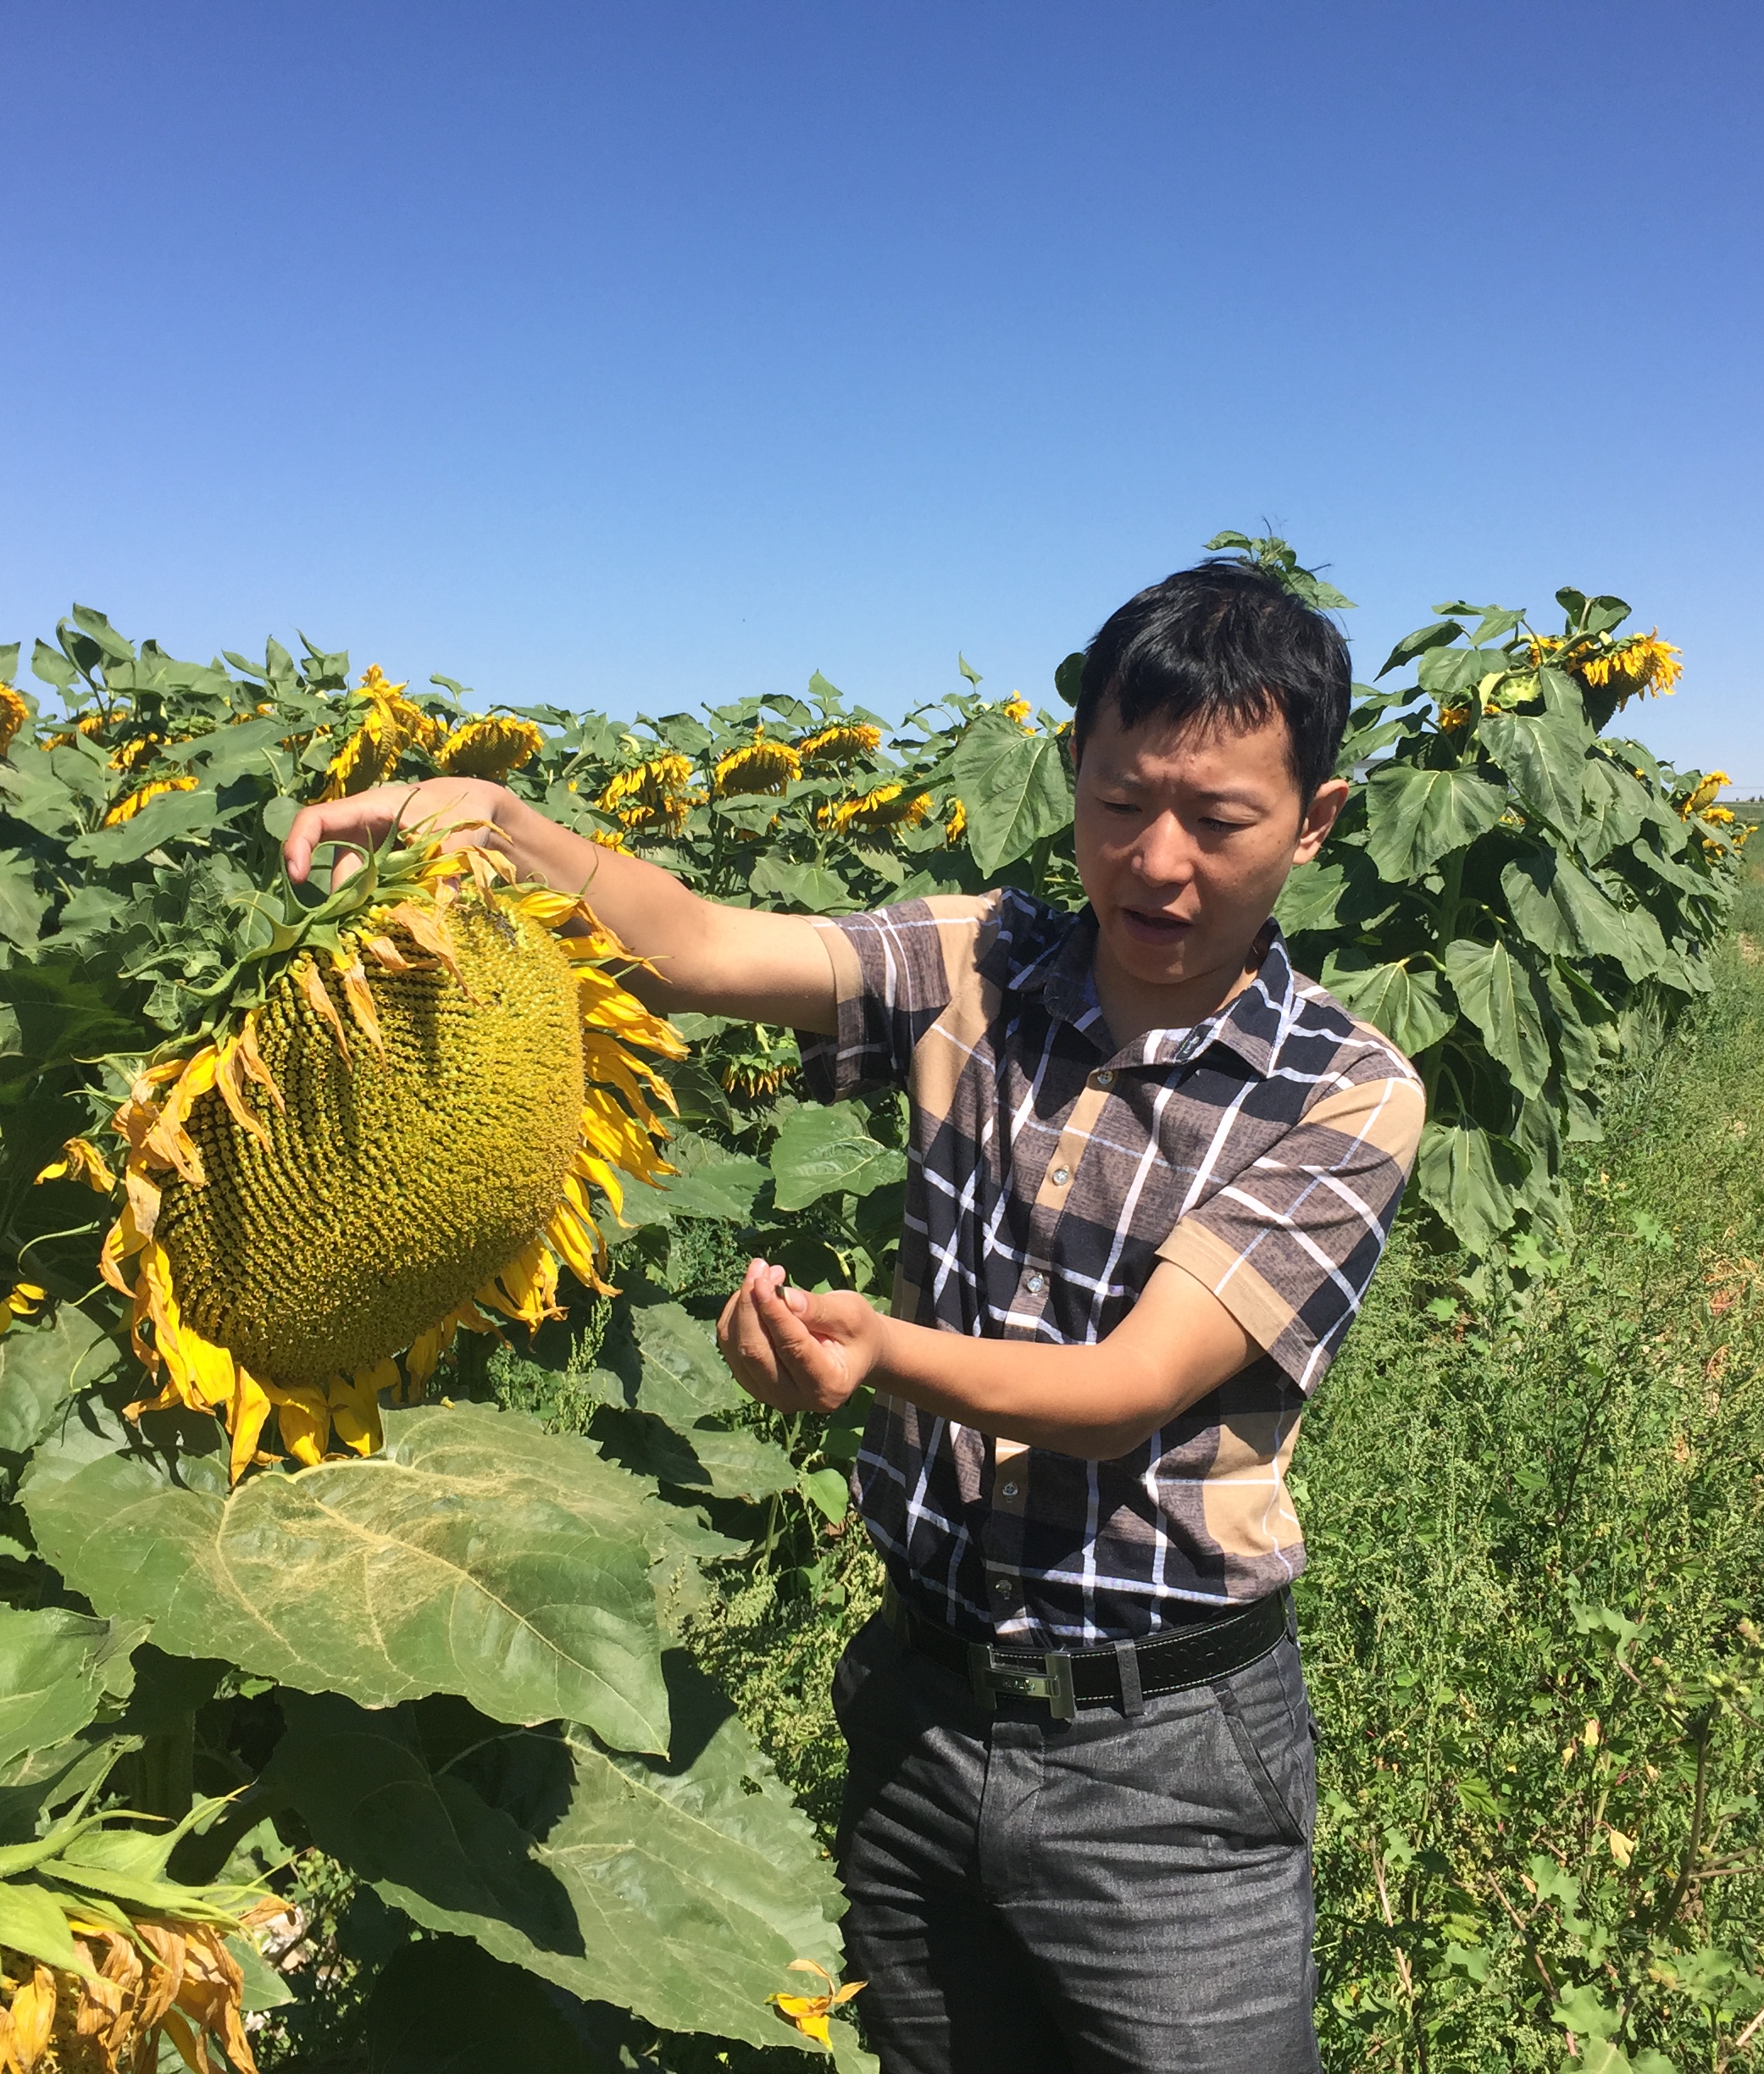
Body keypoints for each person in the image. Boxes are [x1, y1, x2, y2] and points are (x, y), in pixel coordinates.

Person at [285, 557, 1424, 2073]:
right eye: (1116, 805)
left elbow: (1134, 1384)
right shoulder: (985, 961)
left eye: (1218, 821)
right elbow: (696, 948)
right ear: (1073, 773)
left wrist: (881, 1354)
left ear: (1315, 822)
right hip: (922, 1704)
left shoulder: (1344, 1092)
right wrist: (498, 823)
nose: (1156, 862)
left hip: (1166, 1758)